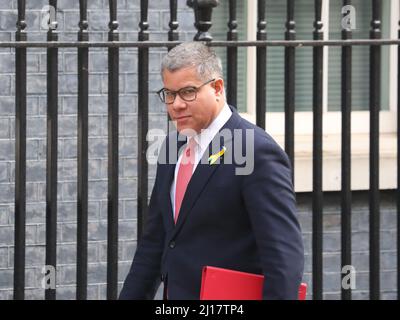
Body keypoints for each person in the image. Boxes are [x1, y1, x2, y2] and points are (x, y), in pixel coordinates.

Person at [119, 41, 304, 300]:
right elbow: (155, 243)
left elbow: (283, 257)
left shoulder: (256, 150)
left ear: (217, 88)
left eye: (188, 92)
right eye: (169, 94)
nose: (176, 104)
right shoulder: (172, 147)